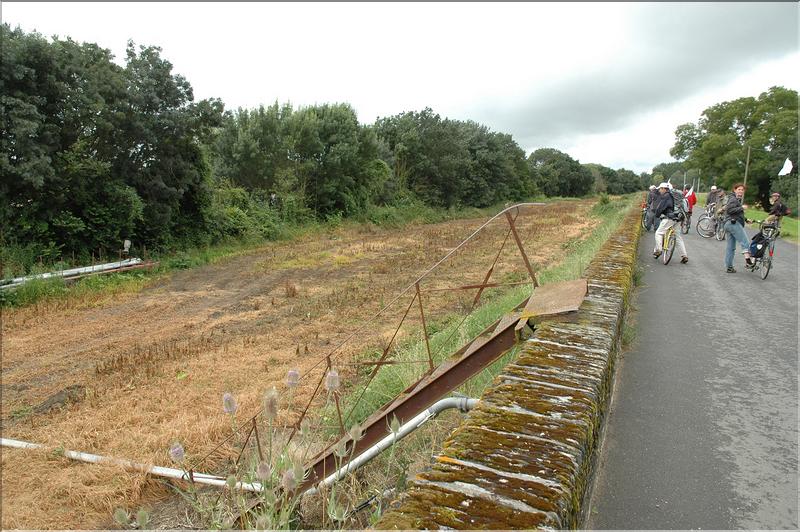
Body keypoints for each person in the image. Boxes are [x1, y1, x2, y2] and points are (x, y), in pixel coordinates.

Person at [652, 182, 689, 263]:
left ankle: (659, 250)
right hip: (678, 218)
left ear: (664, 189)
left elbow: (660, 208)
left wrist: (657, 215)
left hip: (669, 218)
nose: (659, 191)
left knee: (658, 233)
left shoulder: (666, 196)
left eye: (660, 189)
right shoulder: (678, 196)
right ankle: (684, 255)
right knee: (678, 237)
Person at [722, 183, 752, 273]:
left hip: (728, 224)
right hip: (733, 224)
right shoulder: (733, 199)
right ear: (734, 190)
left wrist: (746, 219)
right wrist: (741, 208)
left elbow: (735, 213)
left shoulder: (735, 199)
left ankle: (729, 267)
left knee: (731, 247)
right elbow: (729, 210)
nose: (741, 191)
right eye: (739, 189)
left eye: (742, 190)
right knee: (745, 242)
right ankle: (748, 261)